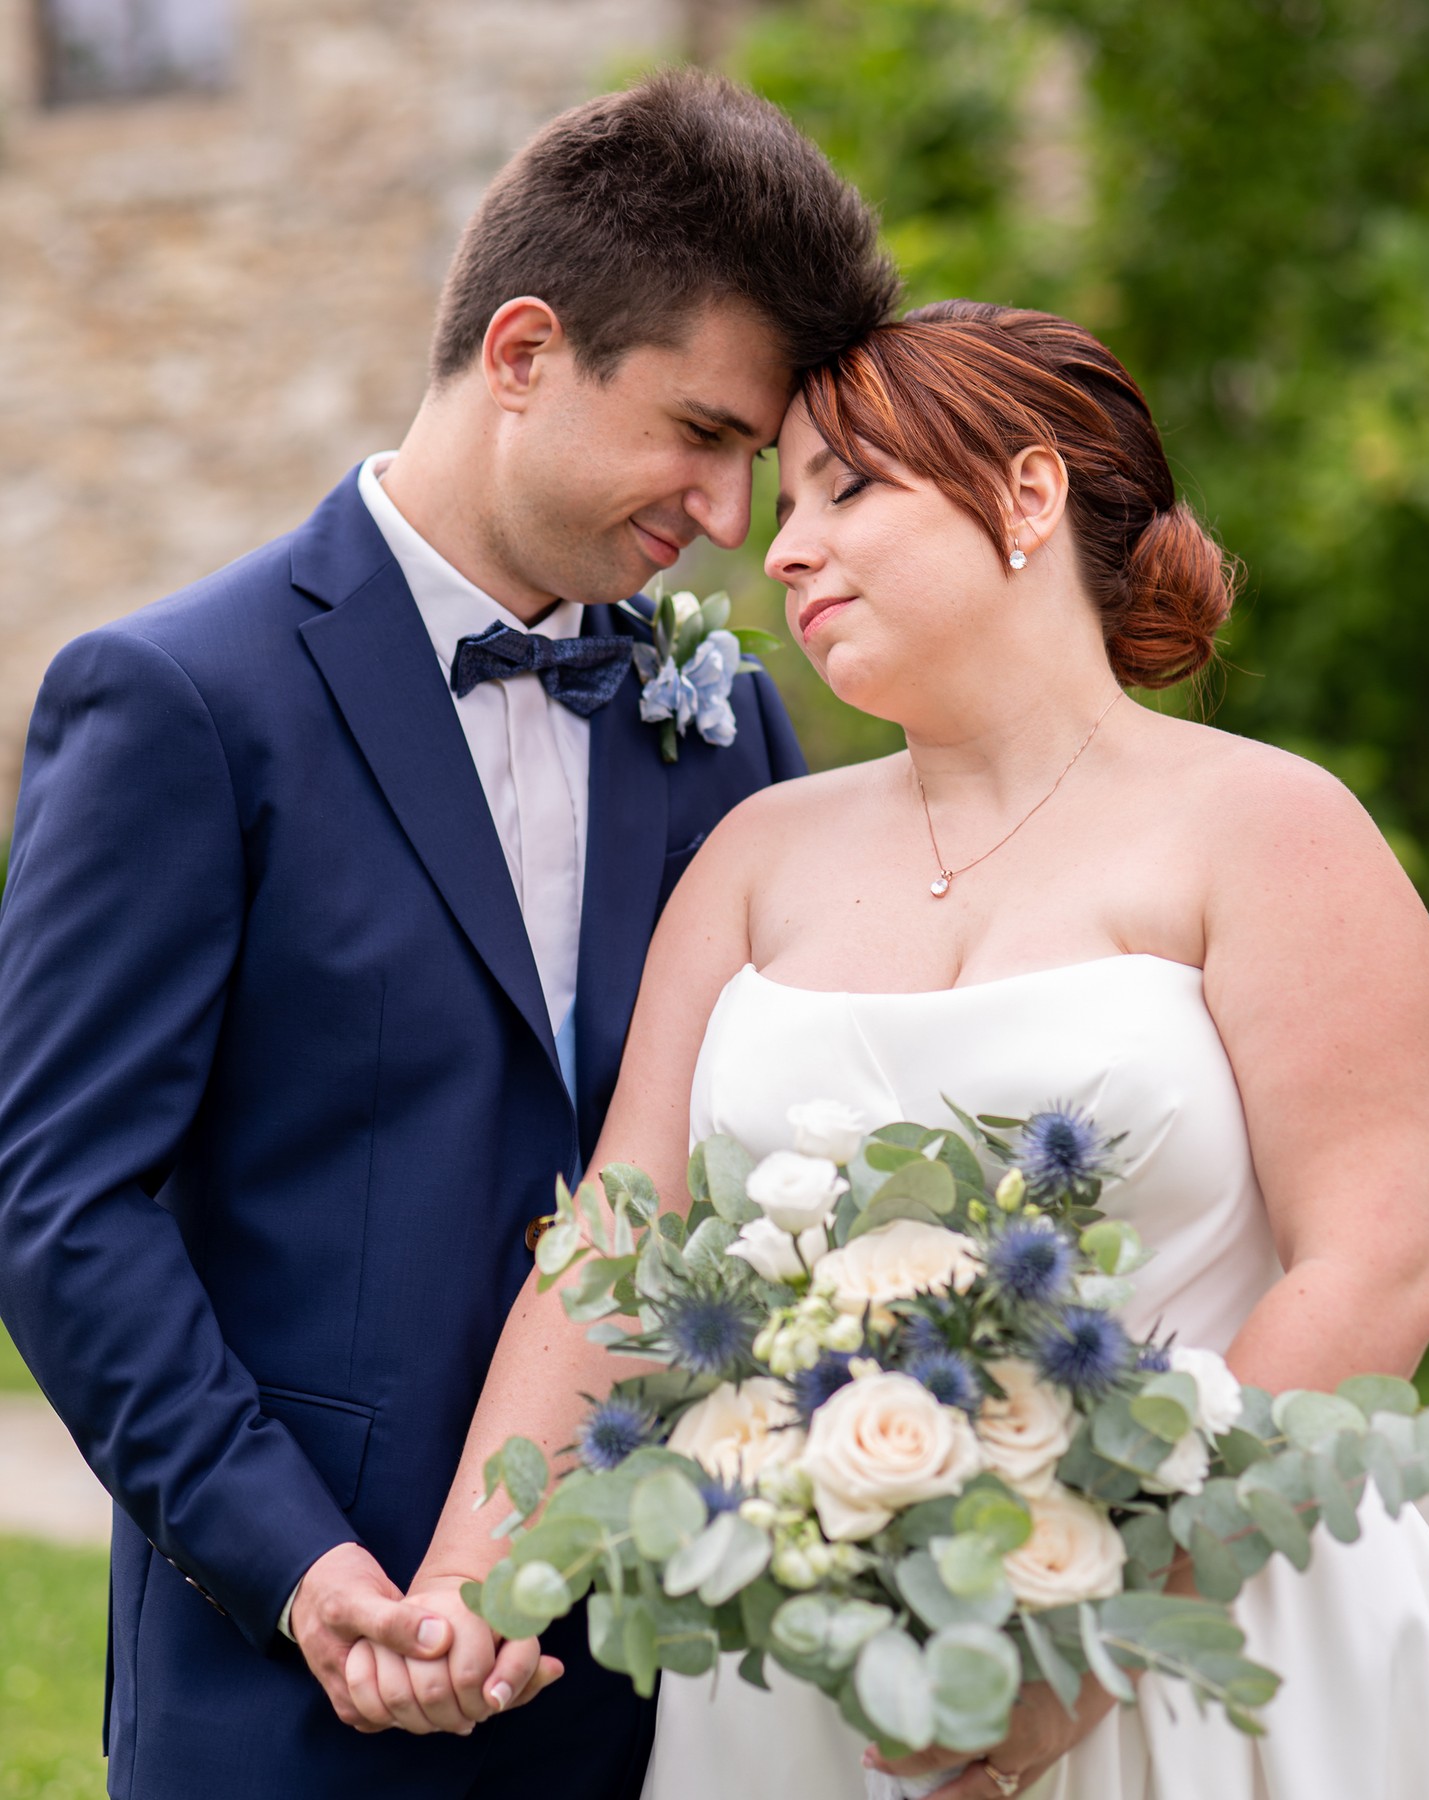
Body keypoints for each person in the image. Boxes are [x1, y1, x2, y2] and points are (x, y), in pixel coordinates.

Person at [362, 300, 1429, 1799]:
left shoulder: (1272, 829)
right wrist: (477, 1571)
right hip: (813, 1677)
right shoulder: (754, 853)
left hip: (1210, 1640)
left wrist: (1104, 1636)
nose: (783, 547)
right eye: (784, 506)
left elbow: (1377, 1267)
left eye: (846, 489)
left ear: (1028, 492)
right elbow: (620, 1231)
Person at [0, 70, 899, 1800]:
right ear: (521, 354)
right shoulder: (179, 701)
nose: (733, 521)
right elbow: (61, 1205)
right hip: (293, 1685)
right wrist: (306, 1575)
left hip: (659, 1683)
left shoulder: (726, 726)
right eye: (703, 435)